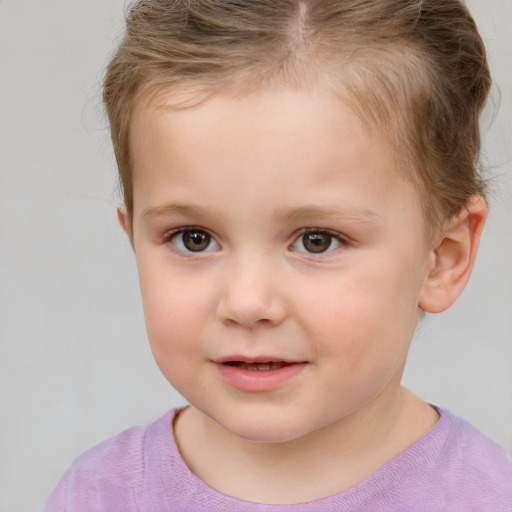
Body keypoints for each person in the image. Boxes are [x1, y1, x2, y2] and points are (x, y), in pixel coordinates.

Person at [44, 0, 512, 510]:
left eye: (317, 240)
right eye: (194, 238)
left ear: (443, 257)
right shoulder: (96, 494)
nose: (247, 303)